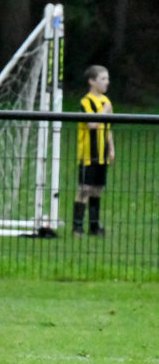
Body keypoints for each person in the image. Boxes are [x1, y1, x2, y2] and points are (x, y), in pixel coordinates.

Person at [73, 65, 114, 237]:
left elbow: (108, 128)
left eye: (107, 78)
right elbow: (92, 124)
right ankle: (77, 227)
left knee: (97, 189)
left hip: (102, 155)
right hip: (88, 155)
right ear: (92, 81)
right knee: (85, 189)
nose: (107, 82)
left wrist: (111, 149)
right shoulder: (86, 102)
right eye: (103, 79)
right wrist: (104, 111)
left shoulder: (106, 101)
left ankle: (94, 227)